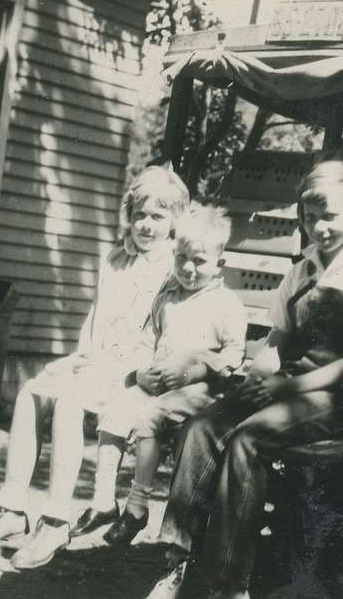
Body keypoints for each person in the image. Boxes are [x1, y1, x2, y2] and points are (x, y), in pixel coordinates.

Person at [145, 160, 343, 599]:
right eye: (309, 216)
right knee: (205, 424)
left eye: (329, 216)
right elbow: (277, 344)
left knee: (249, 440)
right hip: (294, 386)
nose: (318, 227)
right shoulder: (300, 271)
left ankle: (230, 583)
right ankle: (182, 558)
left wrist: (282, 388)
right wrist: (249, 381)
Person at [0, 166, 190, 570]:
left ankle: (55, 519)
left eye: (158, 216)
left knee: (68, 401)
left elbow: (168, 334)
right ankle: (13, 508)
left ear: (174, 221)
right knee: (33, 391)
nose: (146, 225)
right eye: (139, 214)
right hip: (102, 360)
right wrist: (82, 355)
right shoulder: (116, 258)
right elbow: (97, 314)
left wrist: (131, 370)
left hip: (141, 372)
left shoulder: (175, 268)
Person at [74, 202, 247, 549]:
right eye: (181, 257)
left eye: (199, 261)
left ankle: (137, 506)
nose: (188, 267)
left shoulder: (227, 305)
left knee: (149, 417)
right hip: (160, 385)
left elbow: (233, 356)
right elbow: (147, 340)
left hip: (203, 389)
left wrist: (197, 369)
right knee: (116, 407)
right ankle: (103, 500)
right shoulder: (166, 298)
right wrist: (140, 374)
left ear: (219, 264)